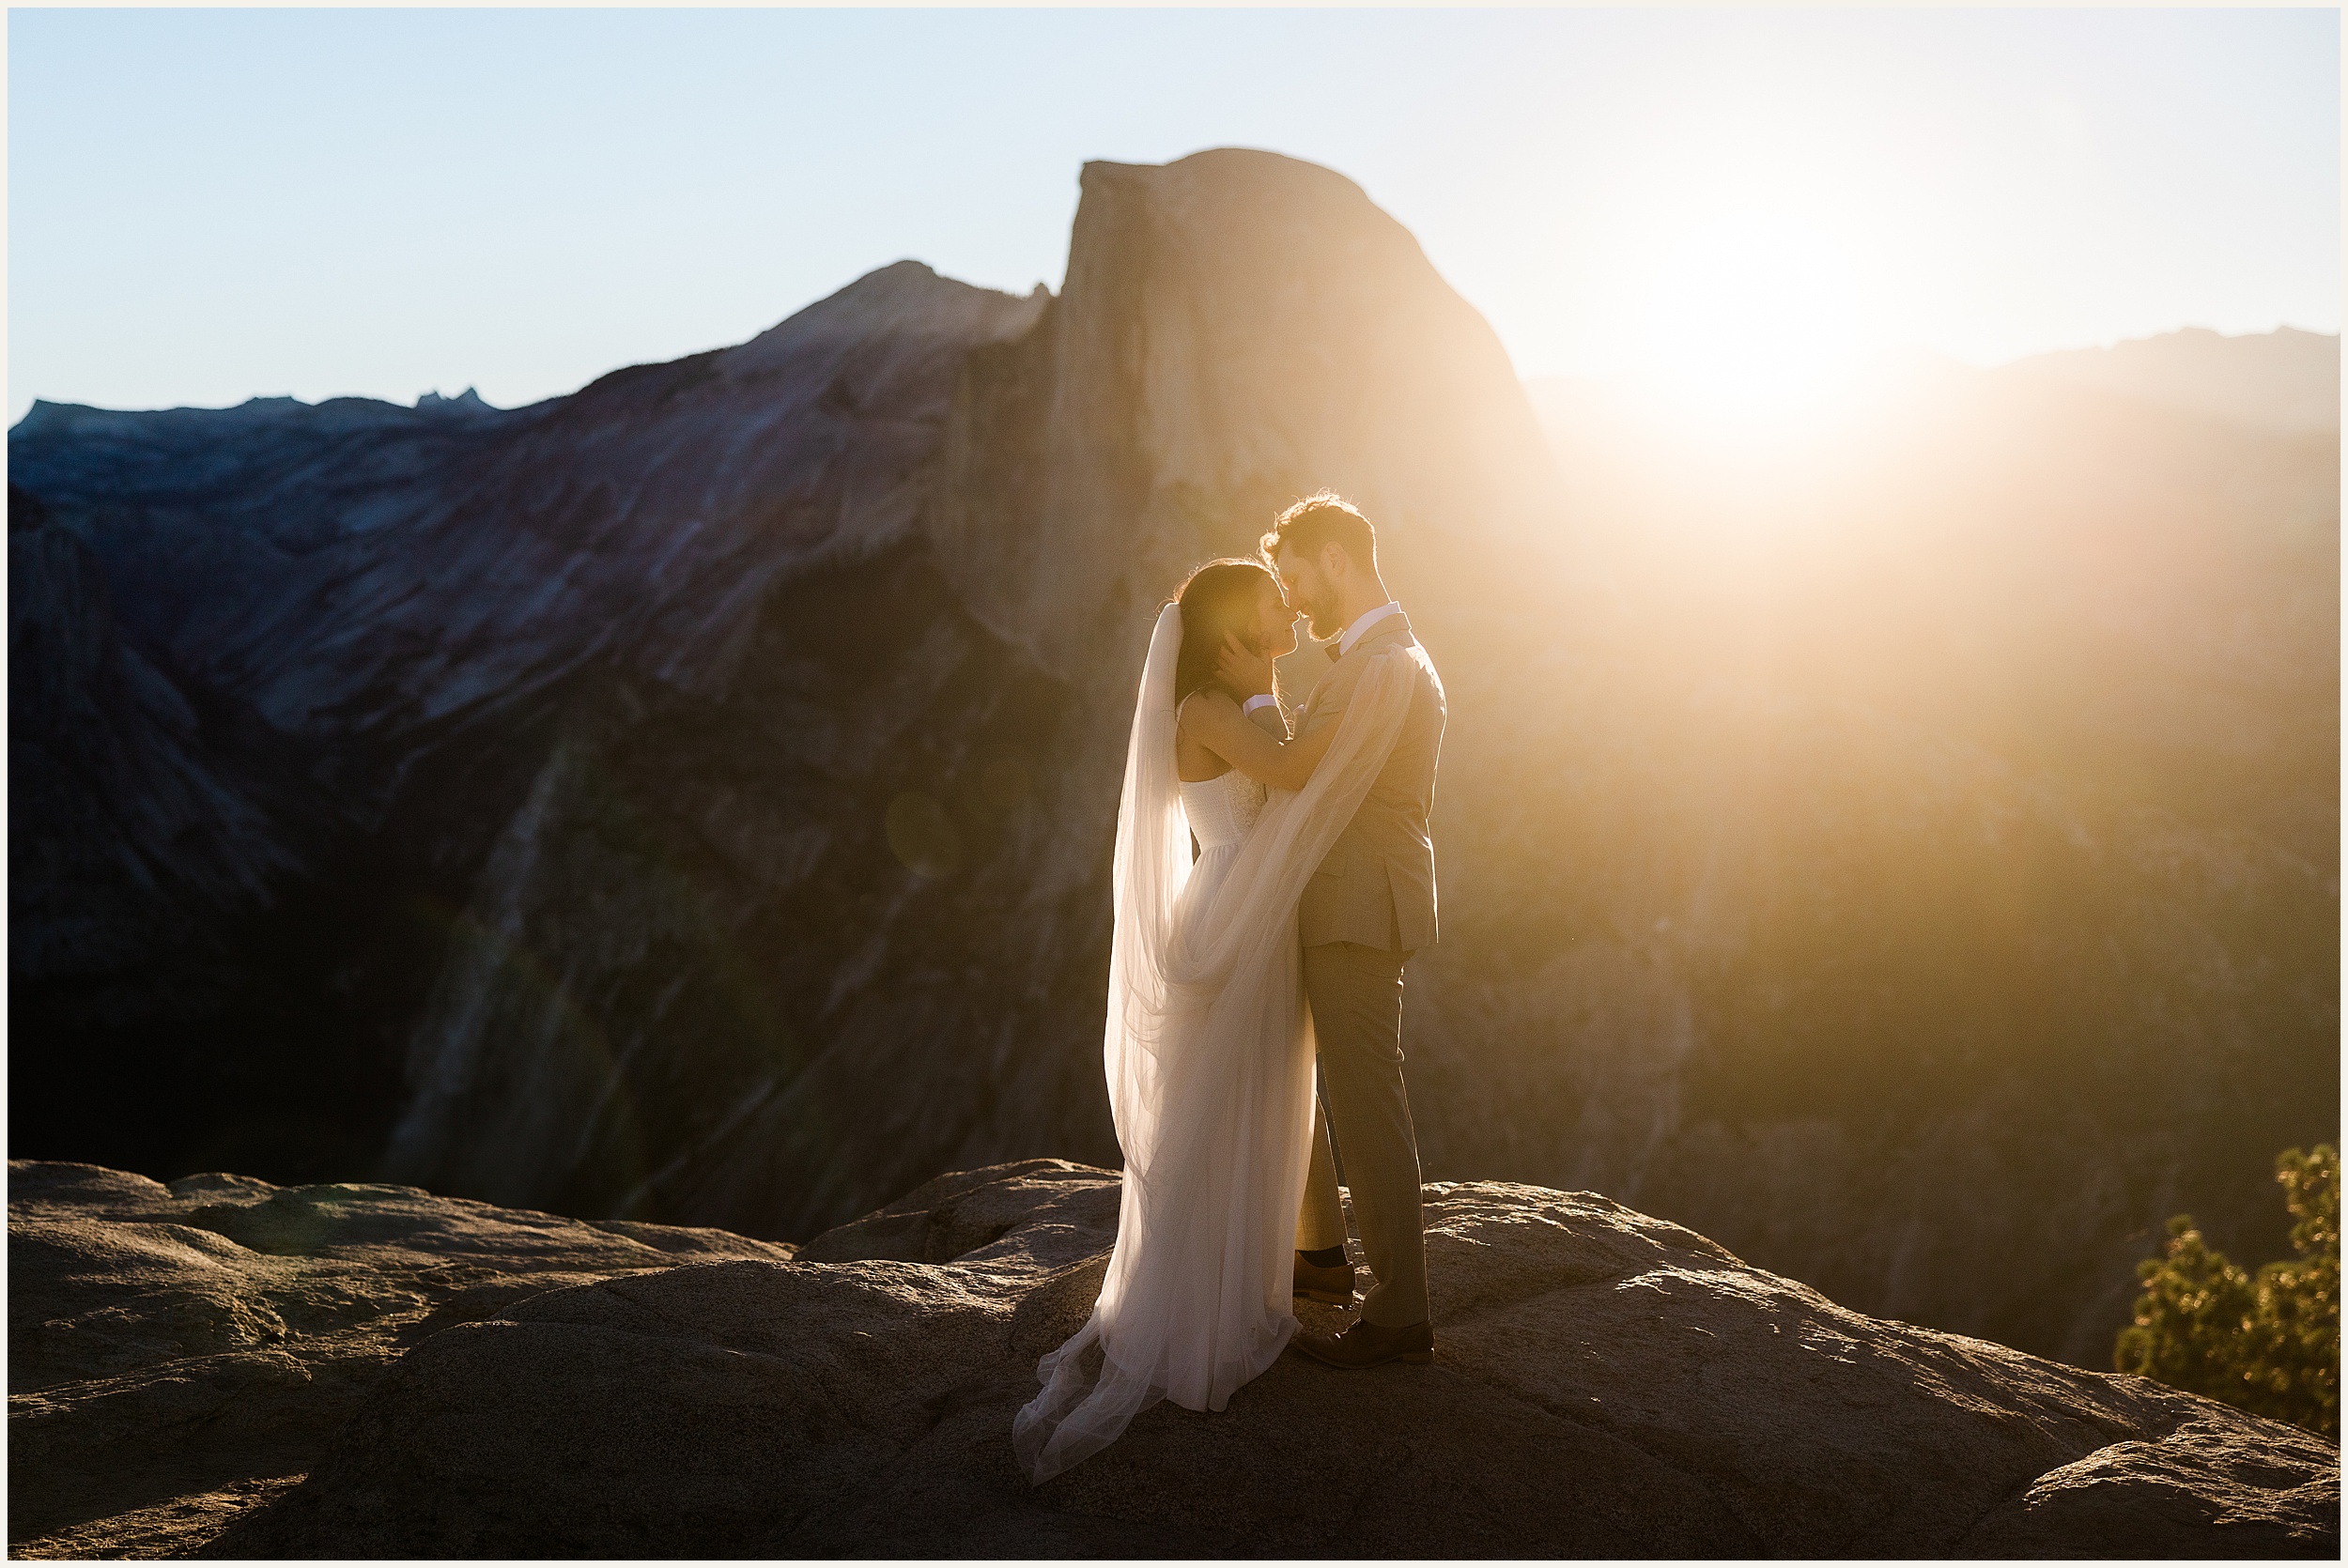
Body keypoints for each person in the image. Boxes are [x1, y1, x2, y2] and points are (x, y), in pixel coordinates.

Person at [1012, 500, 1432, 1484]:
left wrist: (1272, 692)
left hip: (1261, 905)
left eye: (1289, 588)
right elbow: (1287, 773)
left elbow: (1289, 772)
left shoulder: (1243, 695)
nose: (1286, 608)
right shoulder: (1210, 704)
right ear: (1232, 629)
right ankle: (1210, 1294)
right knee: (1229, 1094)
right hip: (1236, 908)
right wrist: (1268, 697)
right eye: (1270, 600)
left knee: (1267, 1086)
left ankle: (1302, 1259)